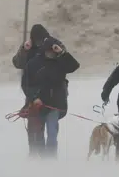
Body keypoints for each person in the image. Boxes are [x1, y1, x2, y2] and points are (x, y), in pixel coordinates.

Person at [12, 24, 80, 156]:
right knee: (35, 132)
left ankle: (49, 160)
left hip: (55, 99)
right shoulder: (30, 54)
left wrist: (60, 52)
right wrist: (24, 49)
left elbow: (72, 65)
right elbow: (19, 65)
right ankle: (37, 157)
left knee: (52, 132)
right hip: (35, 98)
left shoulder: (55, 47)